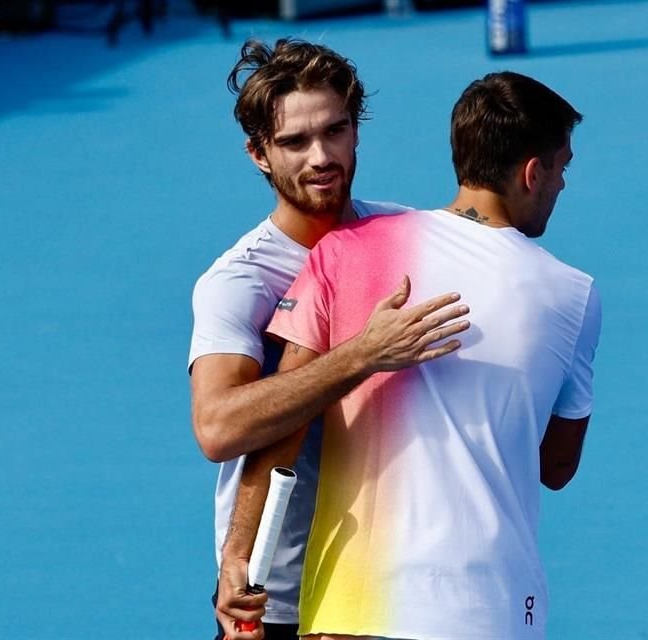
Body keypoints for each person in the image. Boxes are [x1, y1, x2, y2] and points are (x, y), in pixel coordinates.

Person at [218, 71, 602, 640]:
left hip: (352, 609)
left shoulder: (345, 252)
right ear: (531, 172)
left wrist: (240, 555)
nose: (562, 185)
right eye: (562, 167)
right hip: (493, 613)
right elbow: (556, 468)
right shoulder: (574, 294)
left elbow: (286, 425)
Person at [188, 38, 471, 640]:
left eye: (334, 132)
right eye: (294, 142)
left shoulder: (406, 236)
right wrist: (363, 354)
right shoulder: (239, 282)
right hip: (281, 598)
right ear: (258, 155)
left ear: (356, 131)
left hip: (405, 582)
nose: (321, 157)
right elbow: (219, 428)